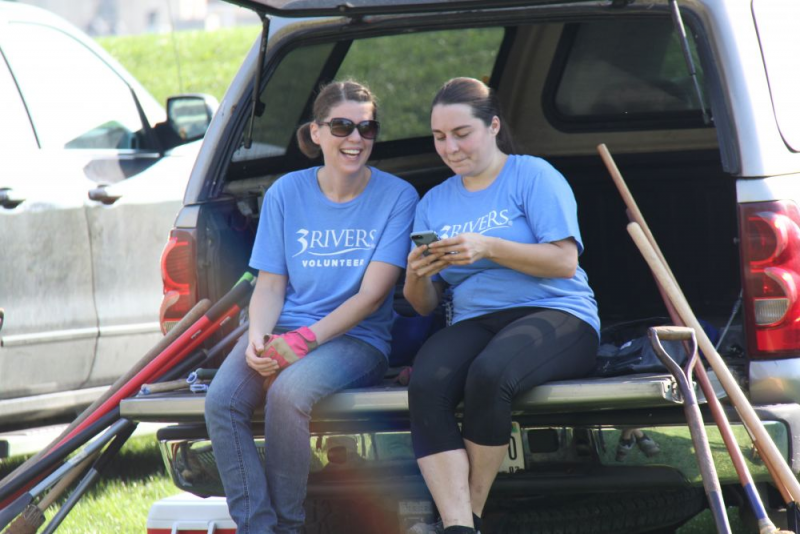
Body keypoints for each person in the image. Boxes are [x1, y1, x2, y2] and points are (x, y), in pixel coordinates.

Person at [205, 80, 418, 534]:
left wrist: (302, 342)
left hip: (355, 340)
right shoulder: (286, 192)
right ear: (317, 133)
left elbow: (372, 296)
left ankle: (287, 526)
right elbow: (269, 284)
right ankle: (257, 528)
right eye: (342, 126)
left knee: (288, 393)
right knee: (221, 402)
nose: (356, 139)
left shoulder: (398, 196)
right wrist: (258, 336)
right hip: (284, 329)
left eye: (367, 128)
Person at [404, 77, 600, 534]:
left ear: (493, 126)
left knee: (490, 374)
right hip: (475, 318)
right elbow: (423, 305)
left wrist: (488, 247)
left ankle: (467, 516)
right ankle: (457, 527)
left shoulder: (533, 175)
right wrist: (416, 274)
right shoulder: (433, 202)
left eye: (461, 133)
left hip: (558, 312)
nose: (450, 147)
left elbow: (564, 262)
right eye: (439, 137)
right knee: (427, 383)